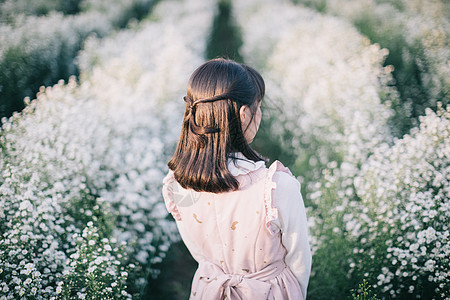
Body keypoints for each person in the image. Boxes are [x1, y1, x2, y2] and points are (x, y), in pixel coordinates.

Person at [162, 58, 311, 299]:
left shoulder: (177, 184)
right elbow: (300, 262)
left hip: (209, 291)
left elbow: (199, 253)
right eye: (258, 106)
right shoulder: (276, 188)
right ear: (244, 114)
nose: (259, 114)